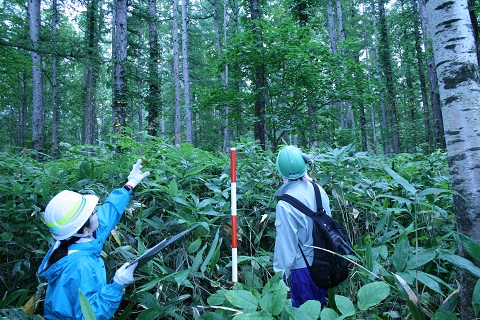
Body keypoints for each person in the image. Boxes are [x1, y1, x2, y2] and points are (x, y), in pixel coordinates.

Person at [38, 159, 150, 320]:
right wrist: (117, 284)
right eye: (91, 213)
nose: (96, 213)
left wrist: (129, 185)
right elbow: (91, 315)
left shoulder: (72, 241)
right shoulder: (82, 265)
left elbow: (108, 213)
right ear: (84, 229)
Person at [273, 145, 332, 308]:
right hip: (324, 265)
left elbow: (286, 245)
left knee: (303, 314)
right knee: (317, 311)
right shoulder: (318, 190)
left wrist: (279, 278)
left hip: (303, 270)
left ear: (281, 172)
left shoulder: (285, 204)